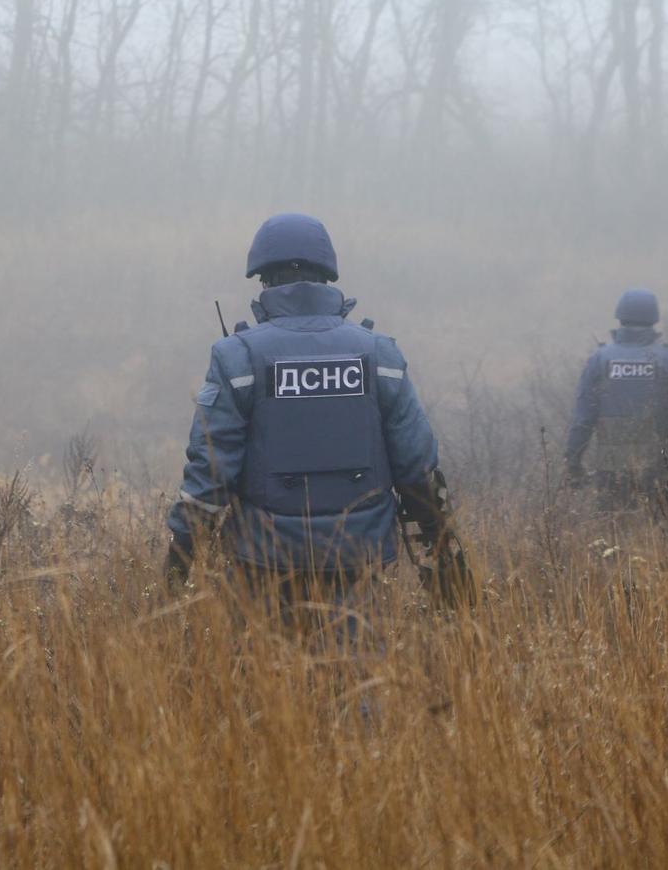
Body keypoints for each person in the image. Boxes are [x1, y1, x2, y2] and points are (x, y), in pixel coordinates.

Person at [164, 212, 462, 623]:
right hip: (359, 561)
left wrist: (177, 563)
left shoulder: (237, 357)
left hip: (263, 565)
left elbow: (210, 474)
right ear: (327, 277)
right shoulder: (380, 355)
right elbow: (418, 469)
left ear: (264, 279)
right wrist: (443, 549)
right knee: (357, 678)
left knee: (266, 681)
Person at [564, 289, 668, 508]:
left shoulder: (600, 360)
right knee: (657, 531)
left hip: (611, 465)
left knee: (613, 530)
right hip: (658, 464)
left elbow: (583, 419)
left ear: (620, 317)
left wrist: (573, 461)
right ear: (653, 319)